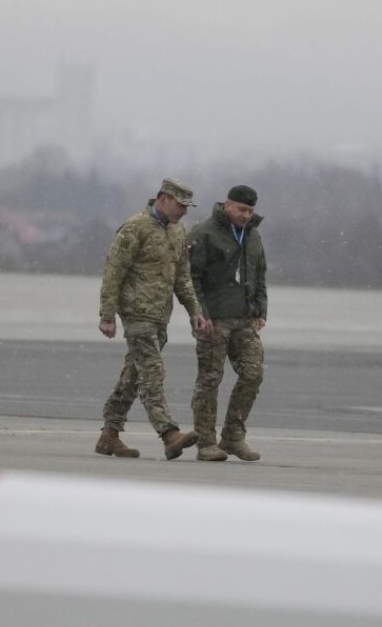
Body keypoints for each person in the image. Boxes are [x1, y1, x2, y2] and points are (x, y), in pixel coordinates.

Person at [96, 178, 210, 460]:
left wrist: (195, 311)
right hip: (137, 314)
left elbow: (182, 277)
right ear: (163, 199)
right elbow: (113, 272)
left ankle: (109, 434)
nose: (184, 212)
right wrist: (107, 315)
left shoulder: (177, 232)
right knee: (152, 373)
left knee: (133, 376)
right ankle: (169, 434)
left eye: (187, 207)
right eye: (180, 206)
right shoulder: (135, 228)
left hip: (160, 316)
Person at [188, 184, 268, 462]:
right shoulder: (204, 233)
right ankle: (206, 442)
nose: (246, 215)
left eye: (250, 211)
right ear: (227, 205)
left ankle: (233, 436)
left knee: (253, 373)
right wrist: (200, 313)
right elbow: (191, 278)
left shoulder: (253, 236)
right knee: (210, 379)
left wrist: (261, 311)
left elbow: (259, 275)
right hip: (214, 319)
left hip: (244, 319)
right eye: (241, 209)